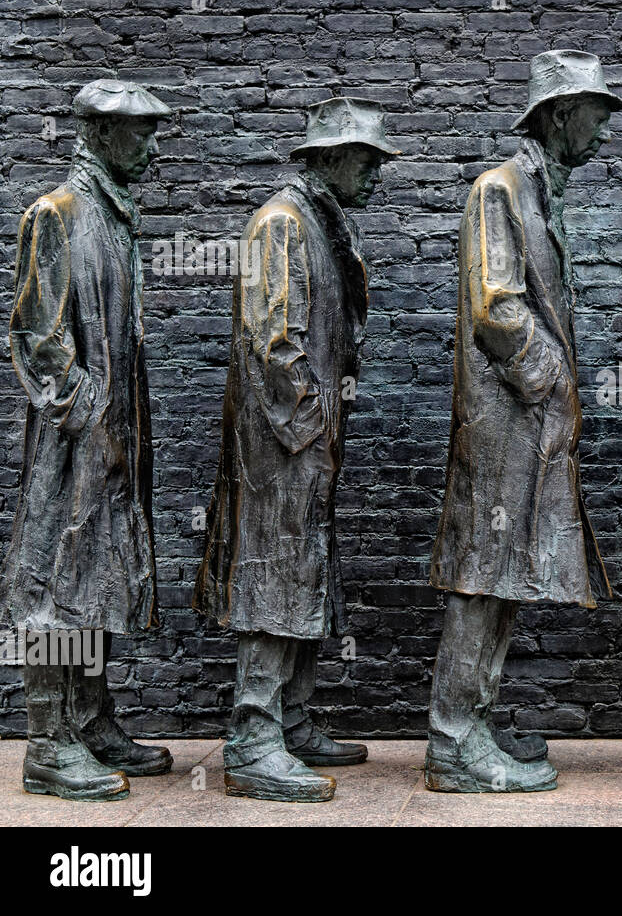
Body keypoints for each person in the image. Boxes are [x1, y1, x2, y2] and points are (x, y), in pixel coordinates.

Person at [425, 50, 622, 793]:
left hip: (527, 425)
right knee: (483, 574)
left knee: (506, 574)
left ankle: (474, 719)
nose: (603, 129)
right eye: (595, 112)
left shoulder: (540, 193)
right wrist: (552, 379)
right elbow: (496, 307)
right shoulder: (498, 190)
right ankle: (452, 741)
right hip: (503, 423)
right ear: (556, 114)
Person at [195, 97, 397, 801]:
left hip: (306, 440)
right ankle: (253, 736)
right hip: (284, 444)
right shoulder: (282, 223)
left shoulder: (318, 219)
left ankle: (292, 713)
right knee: (273, 576)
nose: (375, 173)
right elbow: (275, 341)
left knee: (304, 571)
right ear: (331, 157)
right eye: (367, 160)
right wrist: (309, 424)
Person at [4, 79, 174, 800]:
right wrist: (89, 412)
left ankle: (91, 715)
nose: (154, 146)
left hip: (112, 440)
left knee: (99, 575)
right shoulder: (58, 213)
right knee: (54, 579)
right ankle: (49, 739)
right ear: (101, 134)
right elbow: (37, 339)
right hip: (72, 445)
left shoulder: (114, 215)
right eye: (142, 133)